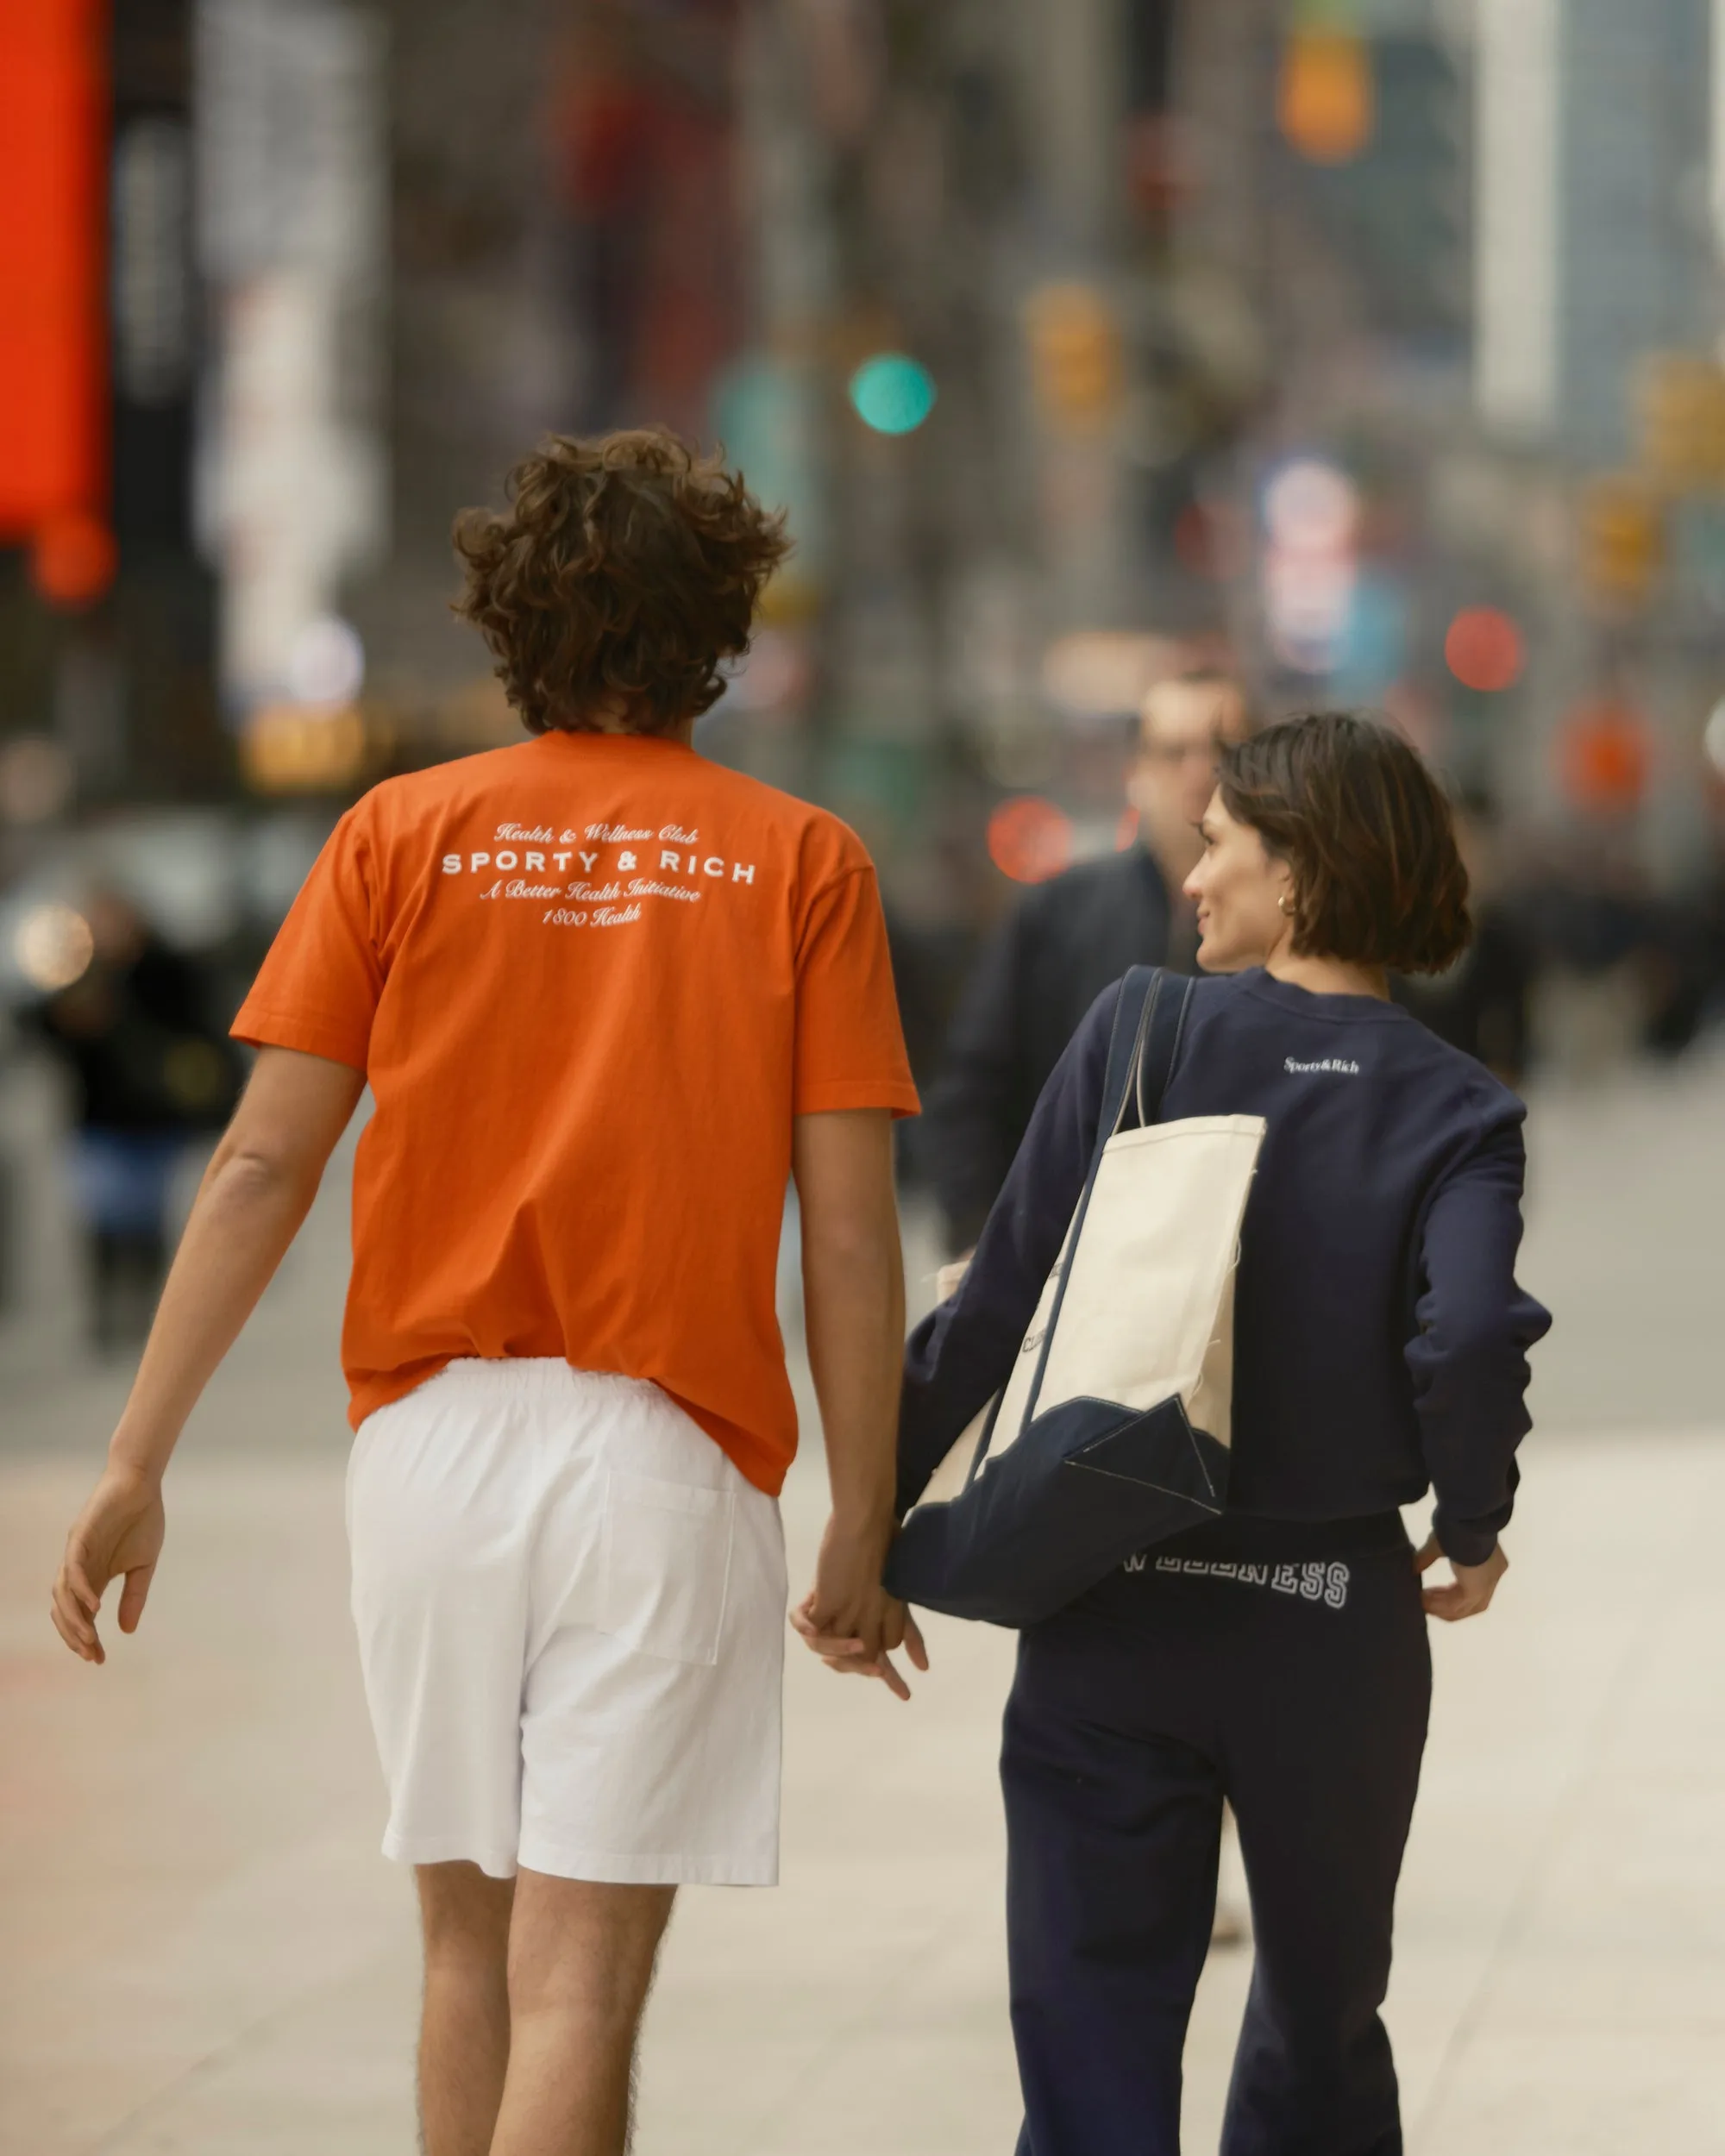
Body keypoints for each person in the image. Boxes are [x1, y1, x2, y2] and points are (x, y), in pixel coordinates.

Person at [49, 427, 925, 2156]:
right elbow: (845, 1232)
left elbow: (255, 1167)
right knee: (583, 1968)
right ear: (723, 629)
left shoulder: (400, 832)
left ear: (503, 626)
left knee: (465, 1941)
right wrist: (863, 1513)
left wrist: (136, 1457)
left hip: (429, 1451)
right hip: (666, 1458)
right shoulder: (800, 860)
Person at [807, 711, 1552, 2154]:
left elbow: (992, 1313)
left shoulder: (1141, 1028)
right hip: (1330, 1617)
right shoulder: (1462, 1111)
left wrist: (870, 1532)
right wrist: (1471, 1523)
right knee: (1322, 2017)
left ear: (1305, 867)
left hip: (1114, 1597)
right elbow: (1466, 1339)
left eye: (1219, 844)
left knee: (1092, 2029)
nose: (1192, 876)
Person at [922, 667, 1250, 1252]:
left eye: (1224, 752)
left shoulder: (1290, 926)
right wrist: (979, 1243)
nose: (1200, 773)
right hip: (1070, 1261)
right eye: (1175, 752)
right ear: (1137, 773)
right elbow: (973, 1089)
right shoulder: (1058, 912)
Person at [27, 889, 240, 1348]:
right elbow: (41, 1030)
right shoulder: (78, 973)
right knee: (99, 1214)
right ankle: (104, 1309)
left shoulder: (164, 970)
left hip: (154, 1118)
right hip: (97, 1120)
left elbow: (201, 1029)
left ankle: (144, 1304)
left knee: (145, 1215)